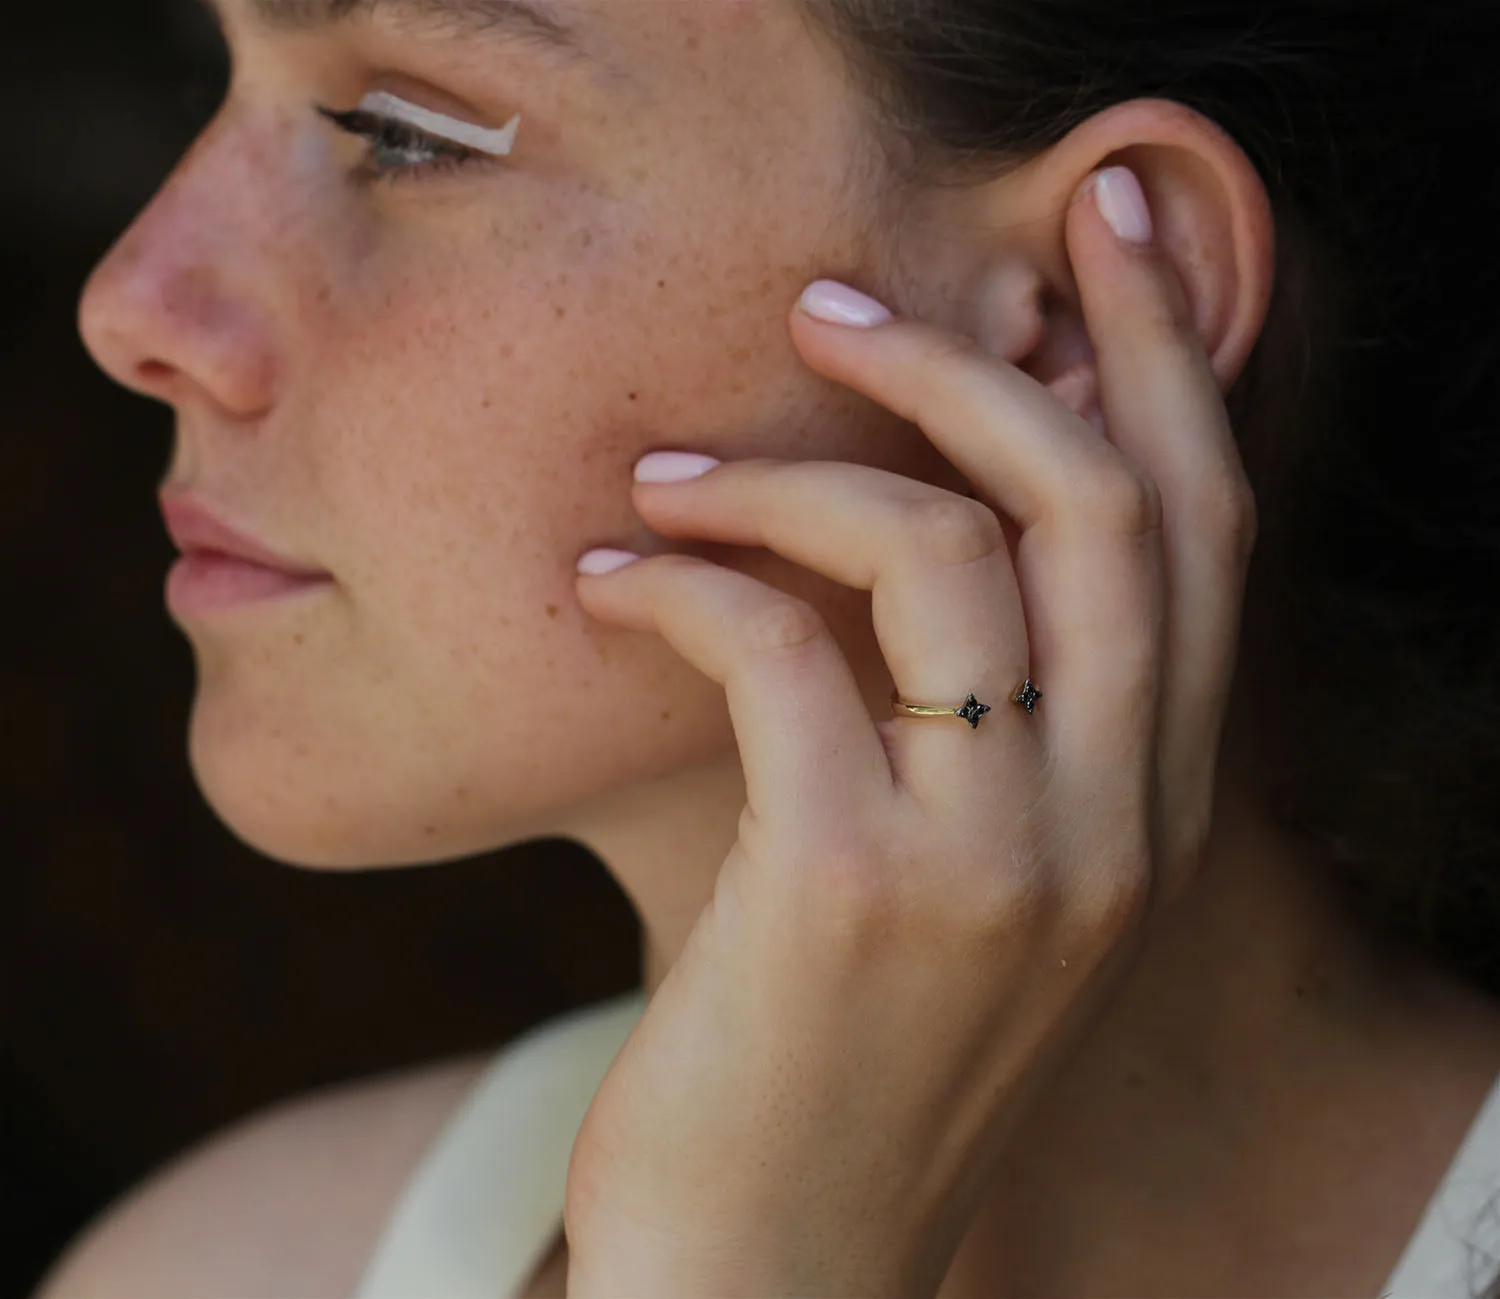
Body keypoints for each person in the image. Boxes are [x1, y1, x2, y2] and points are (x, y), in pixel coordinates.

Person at [36, 0, 1500, 1294]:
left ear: (1090, 304)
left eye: (405, 132)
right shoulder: (233, 1267)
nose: (132, 305)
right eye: (211, 85)